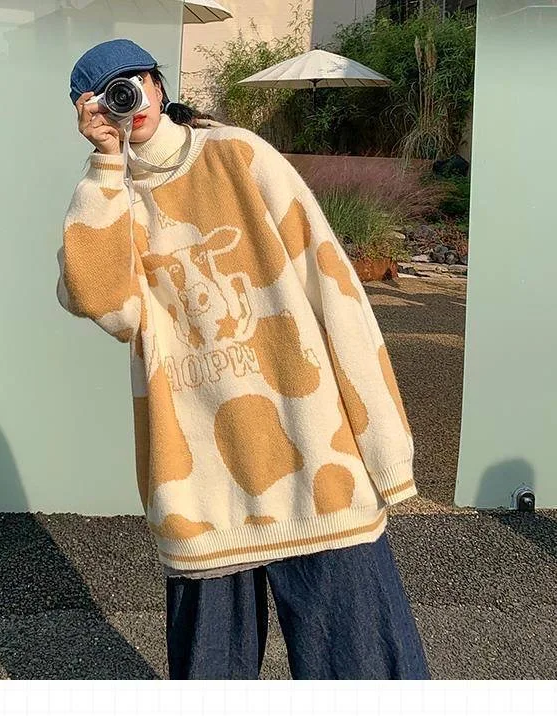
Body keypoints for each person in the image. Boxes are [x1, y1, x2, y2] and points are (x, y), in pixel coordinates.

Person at [56, 38, 431, 680]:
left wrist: (385, 446)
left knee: (364, 672)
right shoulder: (109, 199)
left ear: (158, 83)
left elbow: (333, 289)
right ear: (88, 112)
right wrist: (104, 166)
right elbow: (106, 304)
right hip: (200, 480)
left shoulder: (239, 154)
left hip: (315, 460)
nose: (129, 99)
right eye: (109, 94)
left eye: (135, 80)